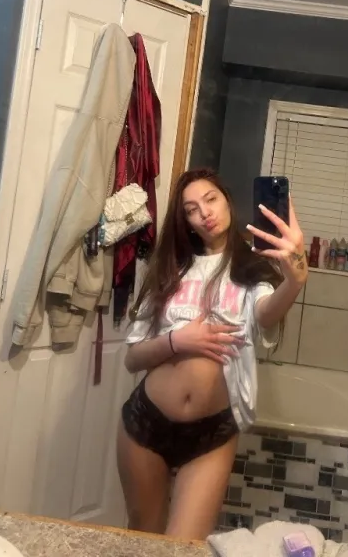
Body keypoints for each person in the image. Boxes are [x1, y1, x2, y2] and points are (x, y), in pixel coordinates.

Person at [117, 168, 307, 539]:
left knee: (186, 545)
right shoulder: (171, 269)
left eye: (210, 199)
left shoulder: (252, 269)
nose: (204, 212)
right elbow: (132, 359)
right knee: (143, 537)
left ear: (227, 202)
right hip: (145, 422)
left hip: (212, 432)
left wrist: (295, 279)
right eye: (191, 209)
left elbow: (265, 314)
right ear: (185, 222)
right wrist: (178, 341)